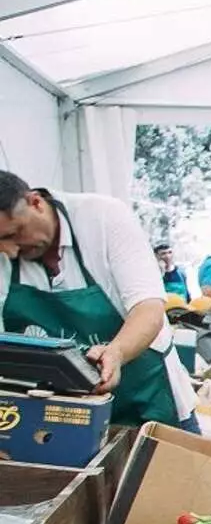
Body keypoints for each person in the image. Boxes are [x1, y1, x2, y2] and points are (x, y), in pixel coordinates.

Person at [0, 171, 200, 430]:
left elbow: (148, 308)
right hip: (60, 418)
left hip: (146, 397)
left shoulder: (103, 217)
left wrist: (116, 353)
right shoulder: (4, 253)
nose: (9, 249)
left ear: (35, 202)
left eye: (14, 233)